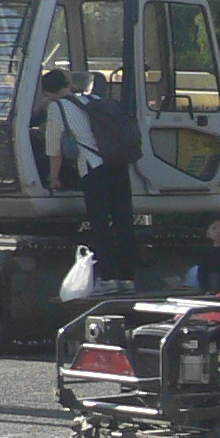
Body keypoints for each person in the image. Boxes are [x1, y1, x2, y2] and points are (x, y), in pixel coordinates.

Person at [50, 72, 137, 293]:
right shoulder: (96, 100)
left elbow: (54, 150)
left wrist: (54, 178)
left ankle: (107, 279)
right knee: (123, 222)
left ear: (46, 93)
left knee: (101, 225)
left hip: (93, 167)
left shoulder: (57, 108)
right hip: (117, 163)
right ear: (68, 84)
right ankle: (128, 279)